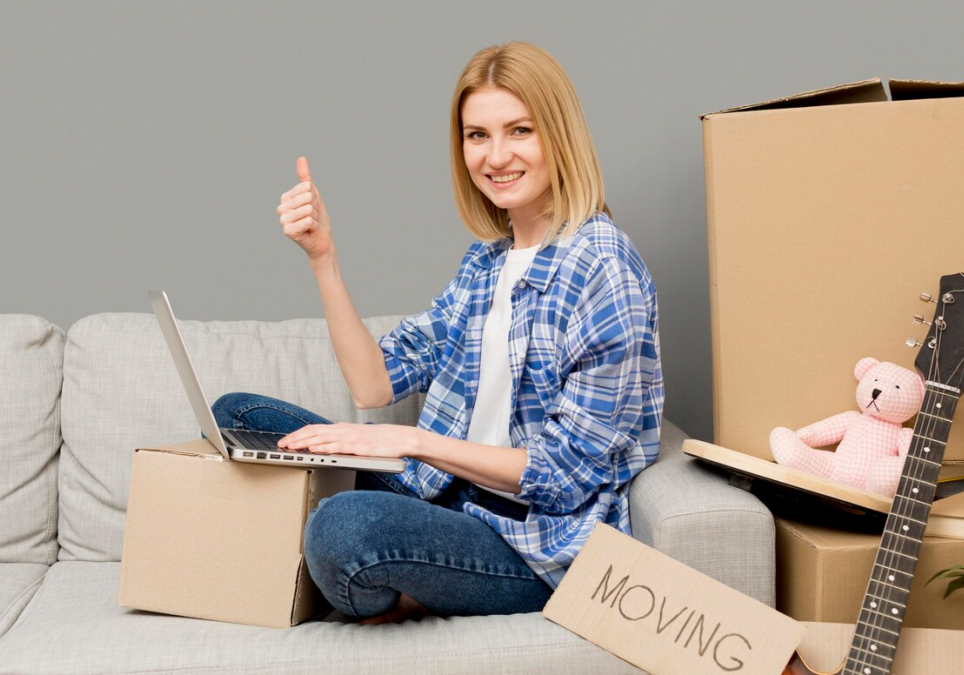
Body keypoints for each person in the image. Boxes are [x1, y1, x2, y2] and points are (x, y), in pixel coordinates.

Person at [212, 41, 663, 625]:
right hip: (444, 498)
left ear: (559, 136)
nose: (495, 156)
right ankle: (398, 575)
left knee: (344, 527)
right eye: (477, 136)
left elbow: (562, 476)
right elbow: (374, 385)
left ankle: (394, 583)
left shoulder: (603, 266)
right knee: (240, 413)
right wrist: (322, 257)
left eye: (519, 130)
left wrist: (412, 442)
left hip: (528, 545)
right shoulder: (486, 264)